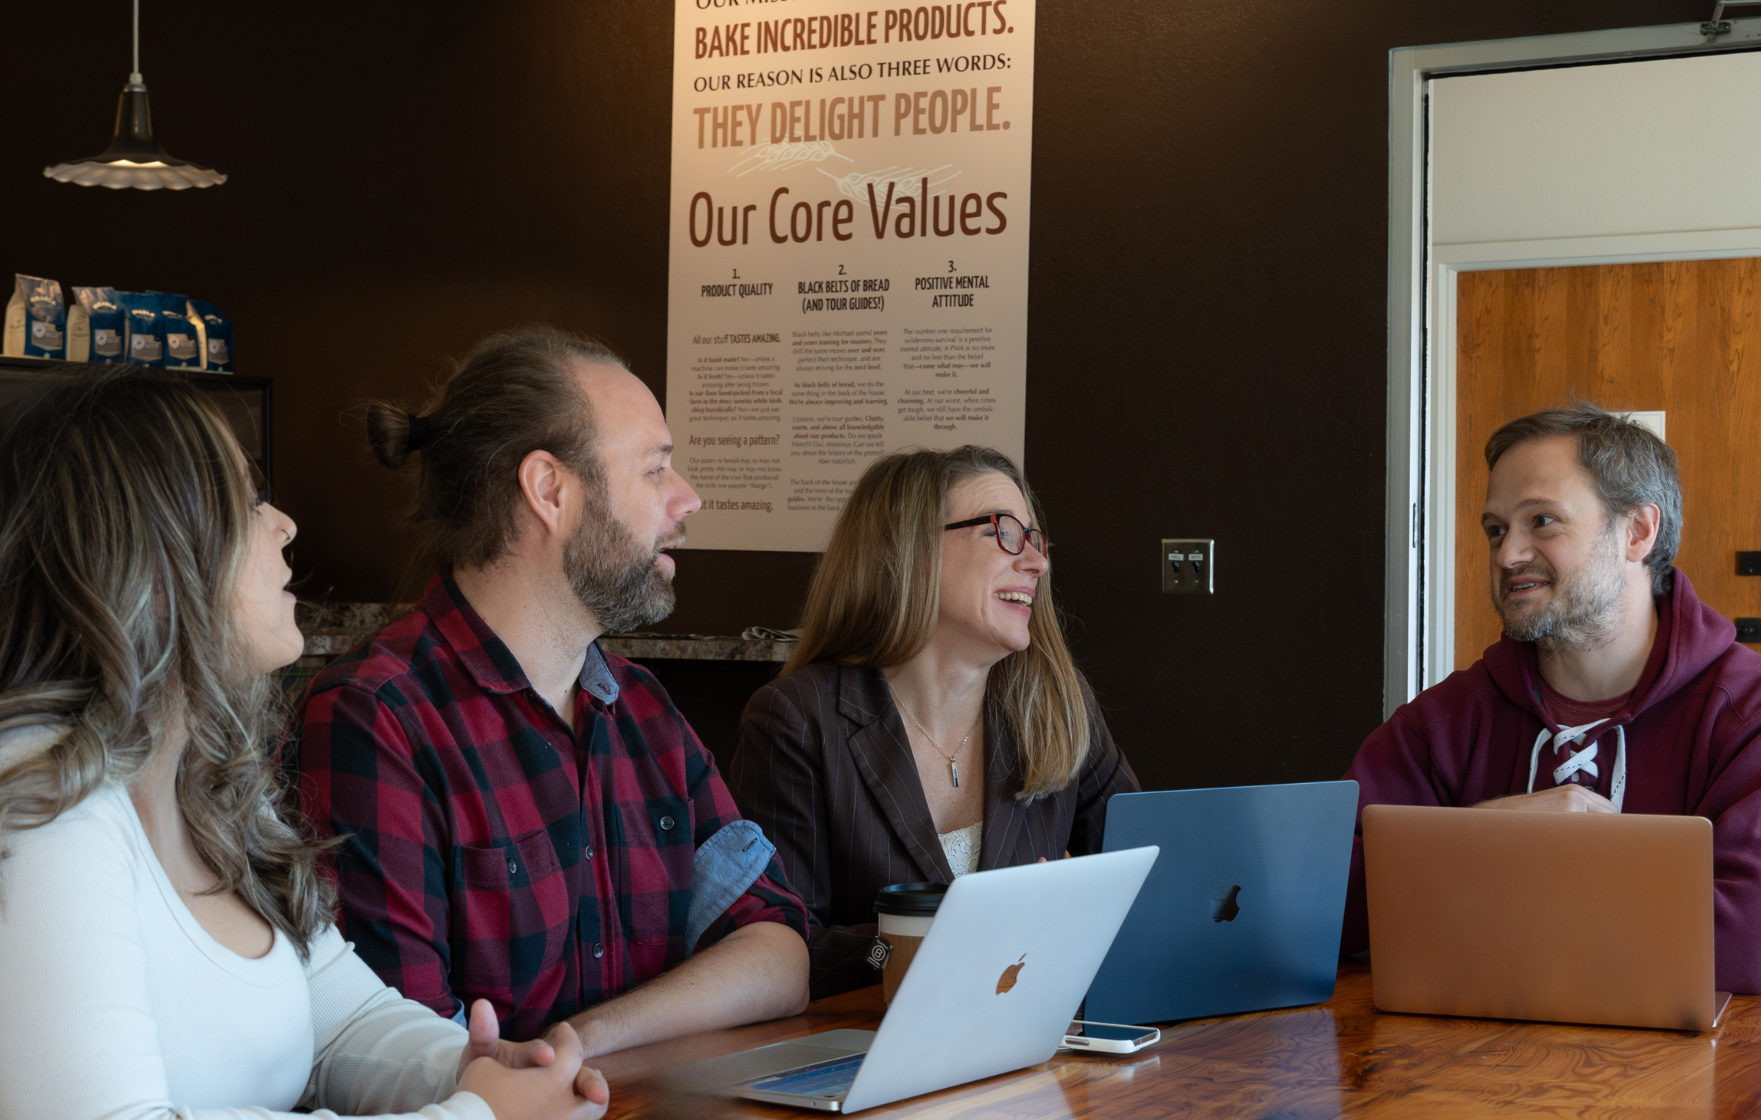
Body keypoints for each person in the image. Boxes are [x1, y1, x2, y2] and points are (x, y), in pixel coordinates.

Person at [0, 367, 608, 1120]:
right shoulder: (39, 800)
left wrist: (472, 1066)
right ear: (153, 557)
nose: (283, 524)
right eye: (248, 503)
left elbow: (341, 1022)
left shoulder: (210, 794)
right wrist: (474, 1116)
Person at [293, 326, 811, 1050]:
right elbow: (395, 1047)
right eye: (655, 471)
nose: (687, 499)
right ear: (549, 490)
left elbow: (777, 952)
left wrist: (580, 1045)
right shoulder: (375, 716)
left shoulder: (640, 707)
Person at [1342, 404, 1761, 993]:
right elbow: (1325, 906)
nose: (1508, 554)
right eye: (1495, 529)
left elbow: (1744, 942)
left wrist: (1460, 896)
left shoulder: (1746, 714)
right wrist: (1487, 838)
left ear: (1638, 532)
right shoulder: (1442, 722)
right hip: (1461, 1069)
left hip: (1687, 1078)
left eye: (1541, 521)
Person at [728, 445, 1140, 999]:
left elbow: (1138, 878)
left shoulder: (1056, 704)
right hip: (871, 1053)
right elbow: (789, 947)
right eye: (1003, 531)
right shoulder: (799, 720)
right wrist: (909, 944)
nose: (1037, 562)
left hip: (1034, 1044)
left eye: (1035, 538)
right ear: (912, 551)